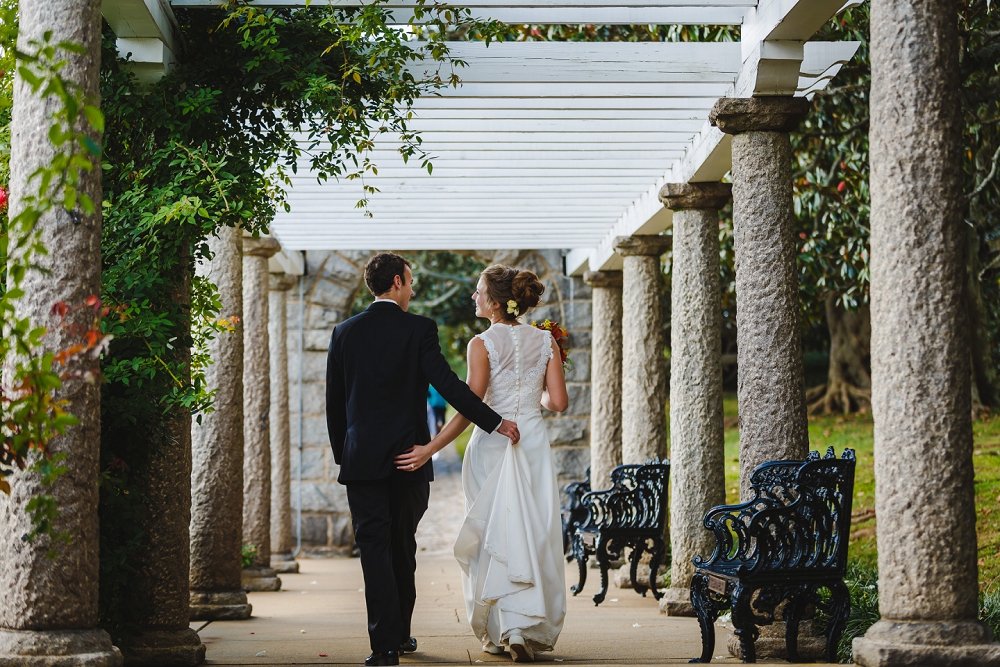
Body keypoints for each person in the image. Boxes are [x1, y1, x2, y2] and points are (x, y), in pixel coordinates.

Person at [326, 253, 521, 667]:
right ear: (396, 282)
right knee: (402, 545)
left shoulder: (343, 332)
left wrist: (345, 456)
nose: (413, 290)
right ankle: (400, 634)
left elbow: (335, 406)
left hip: (361, 463)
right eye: (411, 282)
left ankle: (384, 648)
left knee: (374, 550)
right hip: (409, 459)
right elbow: (450, 385)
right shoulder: (419, 329)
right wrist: (495, 421)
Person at [394, 265, 569, 663]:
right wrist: (533, 398)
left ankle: (504, 626)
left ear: (493, 301)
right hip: (533, 441)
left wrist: (430, 447)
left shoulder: (482, 343)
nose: (473, 298)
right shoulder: (547, 342)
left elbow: (471, 407)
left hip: (492, 443)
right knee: (533, 530)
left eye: (477, 292)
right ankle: (522, 626)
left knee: (495, 532)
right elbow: (557, 403)